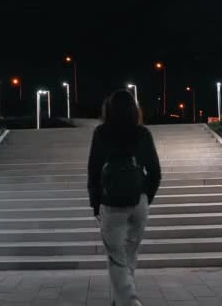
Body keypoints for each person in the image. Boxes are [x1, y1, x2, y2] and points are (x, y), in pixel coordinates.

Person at [88, 89, 162, 306]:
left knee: (117, 259)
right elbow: (156, 173)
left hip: (111, 206)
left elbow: (93, 172)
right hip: (138, 203)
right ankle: (119, 299)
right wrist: (144, 197)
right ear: (134, 109)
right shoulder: (142, 133)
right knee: (129, 255)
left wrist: (95, 205)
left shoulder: (101, 133)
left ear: (108, 110)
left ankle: (129, 301)